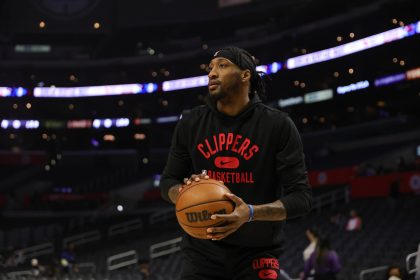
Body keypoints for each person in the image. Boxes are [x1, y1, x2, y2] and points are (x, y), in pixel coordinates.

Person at [160, 46, 312, 279]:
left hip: (258, 252)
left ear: (245, 75)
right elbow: (168, 181)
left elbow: (301, 198)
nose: (211, 73)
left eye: (222, 65)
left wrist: (249, 213)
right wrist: (185, 193)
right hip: (202, 254)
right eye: (210, 68)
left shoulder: (277, 125)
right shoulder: (191, 123)